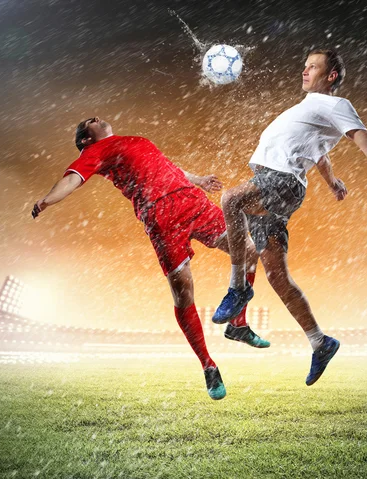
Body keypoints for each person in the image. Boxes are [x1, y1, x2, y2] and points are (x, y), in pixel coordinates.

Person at [213, 49, 367, 386]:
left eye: (313, 67)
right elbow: (318, 152)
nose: (305, 71)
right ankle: (320, 342)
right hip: (277, 184)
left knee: (230, 198)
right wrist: (331, 182)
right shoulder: (312, 111)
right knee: (276, 276)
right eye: (304, 66)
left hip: (280, 181)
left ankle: (237, 289)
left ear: (331, 76)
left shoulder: (336, 105)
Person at [31, 117, 270, 400]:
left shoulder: (136, 141)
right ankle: (208, 365)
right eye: (88, 122)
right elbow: (71, 179)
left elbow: (167, 167)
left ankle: (237, 324)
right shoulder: (94, 152)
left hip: (191, 200)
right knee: (183, 293)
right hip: (161, 217)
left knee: (251, 249)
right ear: (85, 139)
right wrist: (45, 201)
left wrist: (198, 180)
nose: (96, 118)